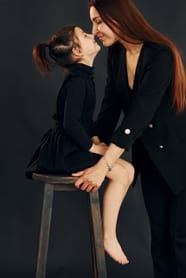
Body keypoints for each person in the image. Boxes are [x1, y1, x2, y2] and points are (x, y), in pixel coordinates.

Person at [73, 0, 186, 278]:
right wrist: (92, 146)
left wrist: (104, 165)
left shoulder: (160, 54)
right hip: (152, 159)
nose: (95, 30)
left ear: (118, 16)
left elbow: (138, 115)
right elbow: (110, 107)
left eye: (99, 21)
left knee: (185, 242)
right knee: (160, 242)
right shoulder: (115, 56)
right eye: (92, 22)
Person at [25, 24, 134, 265]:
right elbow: (71, 123)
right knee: (123, 173)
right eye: (84, 35)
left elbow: (83, 121)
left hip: (74, 146)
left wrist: (96, 140)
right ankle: (108, 237)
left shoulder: (84, 76)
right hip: (65, 152)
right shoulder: (77, 80)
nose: (91, 33)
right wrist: (93, 149)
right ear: (77, 50)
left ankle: (108, 235)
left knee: (127, 170)